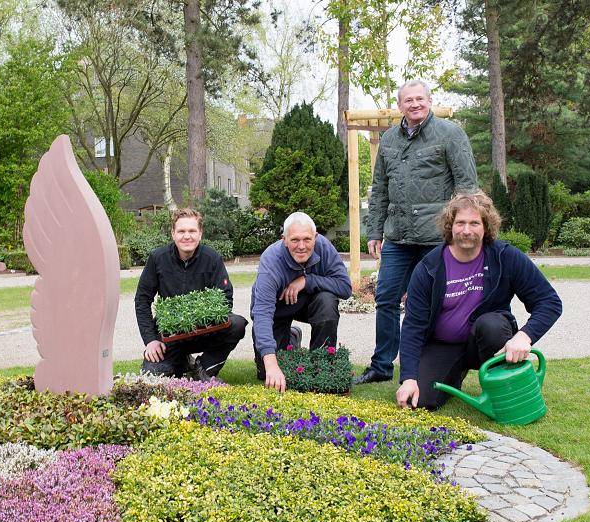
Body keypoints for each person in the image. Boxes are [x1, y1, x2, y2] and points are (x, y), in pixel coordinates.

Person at [357, 79, 479, 385]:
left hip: (436, 238)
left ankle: (426, 365)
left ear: (429, 101)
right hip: (398, 237)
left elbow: (466, 187)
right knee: (385, 298)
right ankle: (382, 365)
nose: (414, 104)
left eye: (420, 99)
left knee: (431, 303)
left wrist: (462, 231)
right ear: (400, 106)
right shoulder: (388, 140)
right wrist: (374, 230)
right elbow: (380, 189)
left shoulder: (450, 135)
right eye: (408, 100)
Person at [395, 192, 563, 410]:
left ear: (486, 227)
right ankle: (454, 373)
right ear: (450, 226)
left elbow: (549, 302)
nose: (466, 230)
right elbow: (413, 327)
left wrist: (524, 336)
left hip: (490, 341)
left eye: (474, 223)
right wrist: (408, 378)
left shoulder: (505, 257)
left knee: (492, 326)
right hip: (443, 345)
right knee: (420, 401)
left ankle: (506, 386)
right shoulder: (429, 267)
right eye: (460, 223)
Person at [135, 208, 247, 380]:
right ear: (173, 233)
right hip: (170, 335)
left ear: (200, 233)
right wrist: (150, 340)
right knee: (152, 376)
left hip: (204, 332)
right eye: (181, 231)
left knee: (237, 324)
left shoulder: (212, 258)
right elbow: (142, 300)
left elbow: (226, 298)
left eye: (192, 231)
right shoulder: (158, 258)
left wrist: (203, 322)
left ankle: (204, 367)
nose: (187, 236)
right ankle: (182, 360)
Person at [251, 212, 353, 392]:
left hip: (309, 303)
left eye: (307, 239)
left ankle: (321, 365)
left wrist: (307, 281)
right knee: (266, 372)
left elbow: (345, 287)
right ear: (284, 239)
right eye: (295, 240)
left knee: (327, 301)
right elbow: (262, 313)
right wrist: (271, 363)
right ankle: (290, 336)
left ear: (315, 237)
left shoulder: (324, 248)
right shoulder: (271, 261)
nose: (301, 246)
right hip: (278, 309)